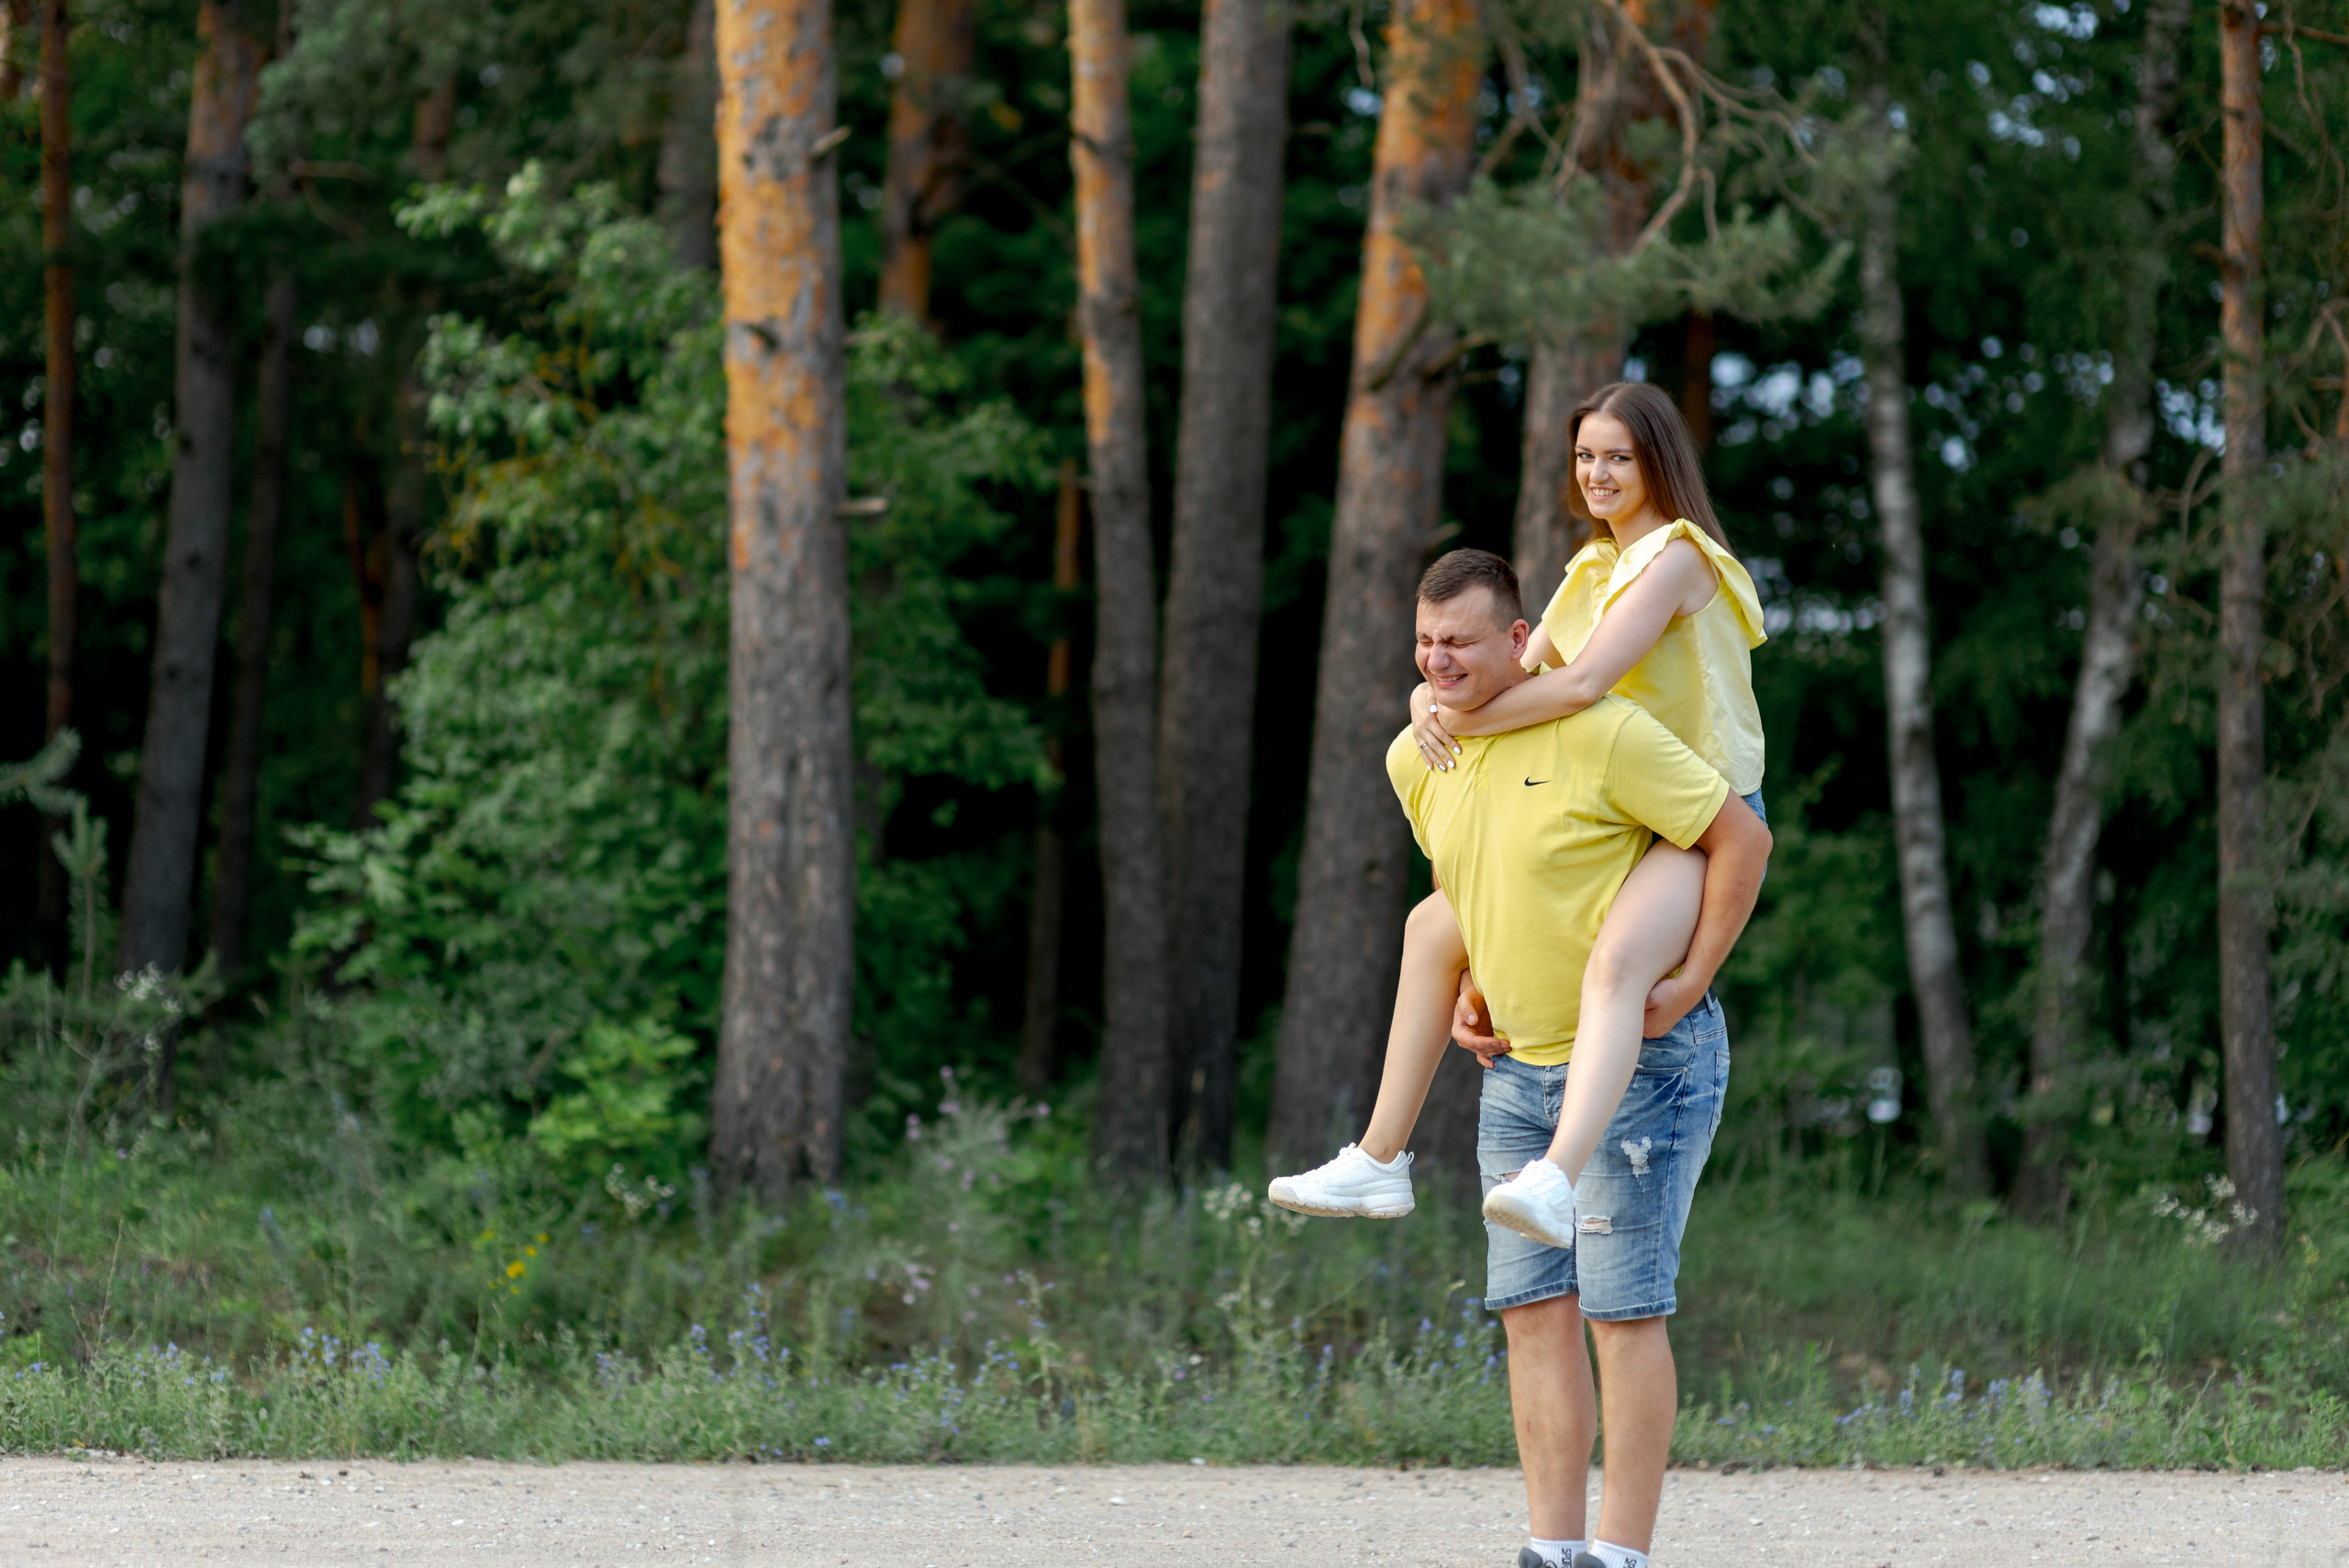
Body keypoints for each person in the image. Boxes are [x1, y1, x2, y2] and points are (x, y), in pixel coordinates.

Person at [1297, 548, 1770, 1568]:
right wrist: (1471, 982)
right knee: (1530, 1317)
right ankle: (1552, 1549)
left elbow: (1740, 839)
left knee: (1623, 1315)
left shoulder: (1606, 732)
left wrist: (1688, 979)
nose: (1440, 659)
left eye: (1461, 640)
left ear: (1519, 639)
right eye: (1425, 643)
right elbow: (1470, 882)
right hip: (1515, 1073)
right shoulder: (1415, 754)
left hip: (1646, 1070)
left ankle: (1622, 1553)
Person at [1267, 382, 1767, 1250]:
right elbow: (1513, 677)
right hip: (1625, 808)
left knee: (1615, 963)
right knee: (1431, 925)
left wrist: (1439, 708)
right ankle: (1382, 1157)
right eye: (1585, 456)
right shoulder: (1591, 568)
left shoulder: (1680, 554)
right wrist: (1431, 694)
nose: (1599, 472)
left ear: (1657, 461)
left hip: (1699, 810)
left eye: (1618, 454)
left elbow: (1577, 686)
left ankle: (1558, 1178)